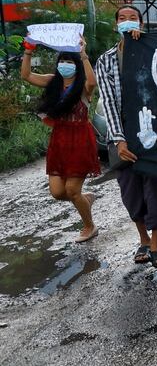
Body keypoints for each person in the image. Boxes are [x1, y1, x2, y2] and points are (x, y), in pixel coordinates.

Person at [95, 5, 157, 267]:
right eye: (123, 19)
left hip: (150, 131)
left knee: (153, 186)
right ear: (116, 24)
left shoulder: (153, 53)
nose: (128, 22)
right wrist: (119, 139)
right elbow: (109, 102)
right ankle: (143, 239)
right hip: (120, 135)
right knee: (130, 190)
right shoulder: (105, 61)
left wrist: (143, 46)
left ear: (141, 23)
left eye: (133, 18)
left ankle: (156, 243)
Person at [21, 36, 101, 243]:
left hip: (81, 140)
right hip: (59, 140)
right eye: (62, 61)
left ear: (77, 65)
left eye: (70, 61)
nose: (65, 65)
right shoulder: (53, 81)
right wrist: (28, 50)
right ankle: (84, 199)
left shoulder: (83, 86)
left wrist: (83, 55)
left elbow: (93, 82)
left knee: (72, 190)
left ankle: (89, 226)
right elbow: (26, 75)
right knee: (57, 192)